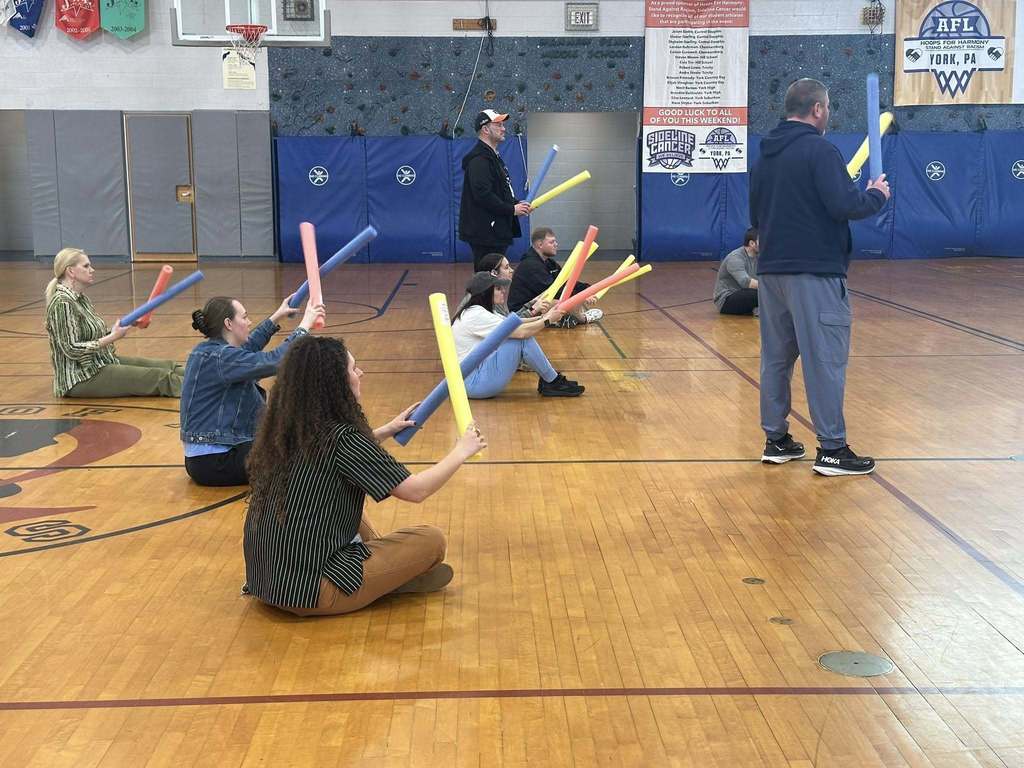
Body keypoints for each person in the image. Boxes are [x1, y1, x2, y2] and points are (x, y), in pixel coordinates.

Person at [242, 335, 487, 616]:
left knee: (345, 502)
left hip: (267, 583)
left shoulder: (287, 432)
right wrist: (461, 450)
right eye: (353, 369)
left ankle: (385, 573)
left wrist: (385, 430)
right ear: (336, 382)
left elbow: (337, 460)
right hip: (316, 593)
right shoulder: (344, 438)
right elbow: (416, 491)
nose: (360, 374)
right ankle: (388, 577)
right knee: (432, 540)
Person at [750, 78, 891, 476]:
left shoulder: (764, 159)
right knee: (824, 360)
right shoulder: (821, 151)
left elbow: (755, 219)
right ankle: (832, 449)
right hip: (814, 273)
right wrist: (876, 195)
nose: (828, 114)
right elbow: (843, 204)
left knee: (776, 360)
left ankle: (776, 440)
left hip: (772, 272)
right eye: (827, 108)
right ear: (817, 109)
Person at [179, 295, 325, 487]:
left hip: (205, 462)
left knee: (294, 442)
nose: (249, 322)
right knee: (301, 450)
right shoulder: (221, 358)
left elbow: (249, 347)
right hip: (218, 462)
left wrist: (277, 317)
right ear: (228, 323)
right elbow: (275, 361)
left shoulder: (210, 351)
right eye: (245, 317)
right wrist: (304, 325)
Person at [44, 248, 184, 398]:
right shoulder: (62, 303)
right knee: (161, 378)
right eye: (86, 266)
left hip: (100, 362)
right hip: (80, 377)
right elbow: (71, 349)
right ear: (71, 271)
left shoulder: (81, 299)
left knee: (169, 366)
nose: (92, 270)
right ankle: (207, 391)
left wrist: (124, 326)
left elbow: (90, 336)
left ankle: (209, 378)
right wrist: (113, 337)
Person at [452, 271, 584, 398]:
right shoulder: (476, 315)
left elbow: (515, 322)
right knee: (520, 338)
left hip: (472, 380)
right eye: (498, 289)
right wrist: (548, 320)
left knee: (518, 335)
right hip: (474, 384)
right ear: (485, 293)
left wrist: (545, 316)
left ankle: (551, 380)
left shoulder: (480, 311)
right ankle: (552, 381)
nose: (503, 291)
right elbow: (520, 331)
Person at [458, 109, 532, 271]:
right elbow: (483, 195)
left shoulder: (493, 157)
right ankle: (481, 297)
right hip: (485, 233)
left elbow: (501, 191)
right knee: (486, 278)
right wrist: (511, 209)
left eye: (503, 124)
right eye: (498, 124)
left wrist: (518, 204)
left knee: (494, 279)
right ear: (485, 129)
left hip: (496, 230)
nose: (503, 128)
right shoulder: (479, 160)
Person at [507, 227, 603, 328]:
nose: (556, 244)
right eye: (552, 242)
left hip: (540, 303)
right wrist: (582, 296)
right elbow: (553, 291)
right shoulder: (530, 265)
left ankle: (563, 319)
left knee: (570, 301)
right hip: (523, 310)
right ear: (540, 244)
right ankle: (583, 318)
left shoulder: (549, 263)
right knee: (568, 303)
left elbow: (565, 282)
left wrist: (589, 289)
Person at [473, 252, 553, 318]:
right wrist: (534, 310)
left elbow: (509, 320)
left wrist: (533, 302)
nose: (512, 270)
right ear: (494, 273)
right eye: (506, 267)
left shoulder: (488, 292)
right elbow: (509, 326)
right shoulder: (488, 298)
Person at [714, 228, 760, 316]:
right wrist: (770, 287)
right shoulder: (735, 258)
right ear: (752, 243)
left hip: (745, 293)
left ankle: (756, 309)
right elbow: (745, 282)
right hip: (726, 300)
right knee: (759, 294)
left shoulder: (759, 257)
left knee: (766, 293)